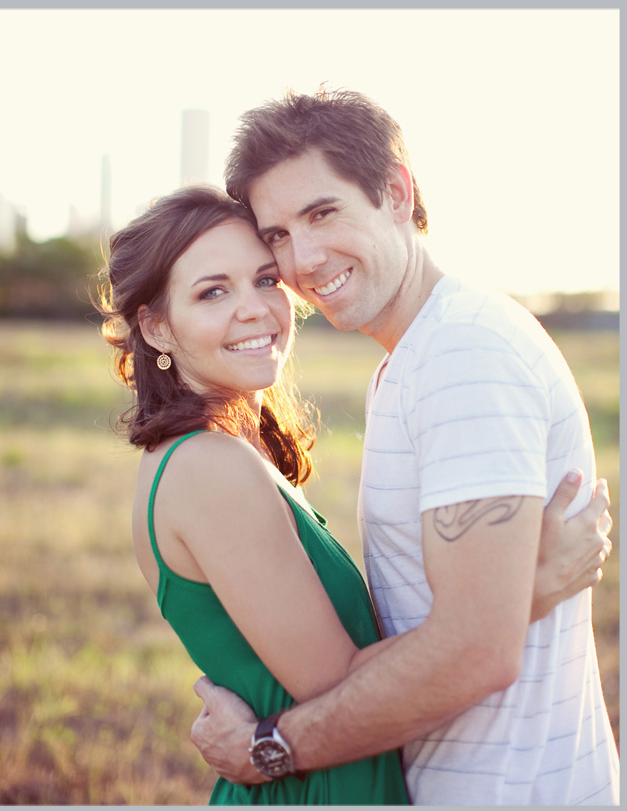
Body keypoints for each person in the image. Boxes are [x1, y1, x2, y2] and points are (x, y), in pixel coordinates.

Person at [189, 89, 619, 805]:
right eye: (280, 236)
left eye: (323, 213)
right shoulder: (412, 359)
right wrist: (526, 594)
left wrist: (272, 746)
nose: (304, 259)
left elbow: (477, 649)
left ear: (395, 192)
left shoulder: (464, 352)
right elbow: (452, 624)